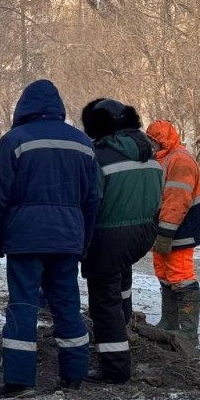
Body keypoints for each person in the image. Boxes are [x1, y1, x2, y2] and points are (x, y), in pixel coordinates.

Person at [0, 79, 101, 399]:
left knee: (22, 306)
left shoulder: (14, 141)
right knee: (68, 307)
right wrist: (84, 242)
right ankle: (74, 375)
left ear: (24, 107)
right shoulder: (83, 144)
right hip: (67, 239)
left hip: (25, 240)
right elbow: (92, 200)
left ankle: (20, 381)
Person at [79, 99, 162, 384]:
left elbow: (92, 201)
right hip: (143, 233)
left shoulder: (100, 155)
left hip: (109, 235)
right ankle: (125, 335)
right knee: (121, 286)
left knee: (104, 301)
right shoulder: (148, 152)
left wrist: (83, 242)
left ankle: (115, 368)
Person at [145, 120, 200, 342]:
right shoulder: (163, 158)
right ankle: (169, 321)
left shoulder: (179, 160)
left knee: (181, 275)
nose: (150, 145)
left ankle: (187, 332)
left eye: (152, 141)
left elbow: (176, 201)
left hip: (182, 227)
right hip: (169, 226)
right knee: (164, 273)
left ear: (160, 141)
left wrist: (165, 233)